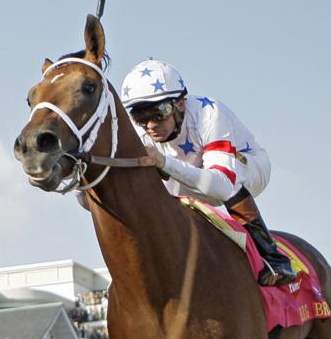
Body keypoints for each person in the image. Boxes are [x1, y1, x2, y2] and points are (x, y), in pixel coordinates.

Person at [121, 60, 297, 286]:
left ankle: (273, 257)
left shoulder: (209, 113)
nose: (150, 125)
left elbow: (221, 186)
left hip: (248, 168)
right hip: (192, 177)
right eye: (140, 117)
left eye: (159, 113)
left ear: (180, 104)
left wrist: (164, 163)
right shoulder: (140, 129)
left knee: (226, 181)